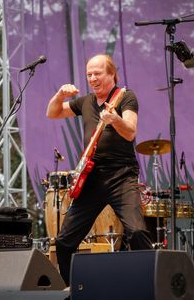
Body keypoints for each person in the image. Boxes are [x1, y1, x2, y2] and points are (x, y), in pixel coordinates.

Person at [46, 54, 152, 286]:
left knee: (136, 232)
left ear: (111, 74)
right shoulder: (85, 102)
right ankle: (73, 290)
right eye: (89, 74)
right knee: (64, 242)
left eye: (98, 73)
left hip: (121, 176)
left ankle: (149, 287)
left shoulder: (126, 97)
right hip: (91, 179)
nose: (92, 78)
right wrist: (59, 95)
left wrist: (114, 120)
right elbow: (52, 113)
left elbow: (130, 132)